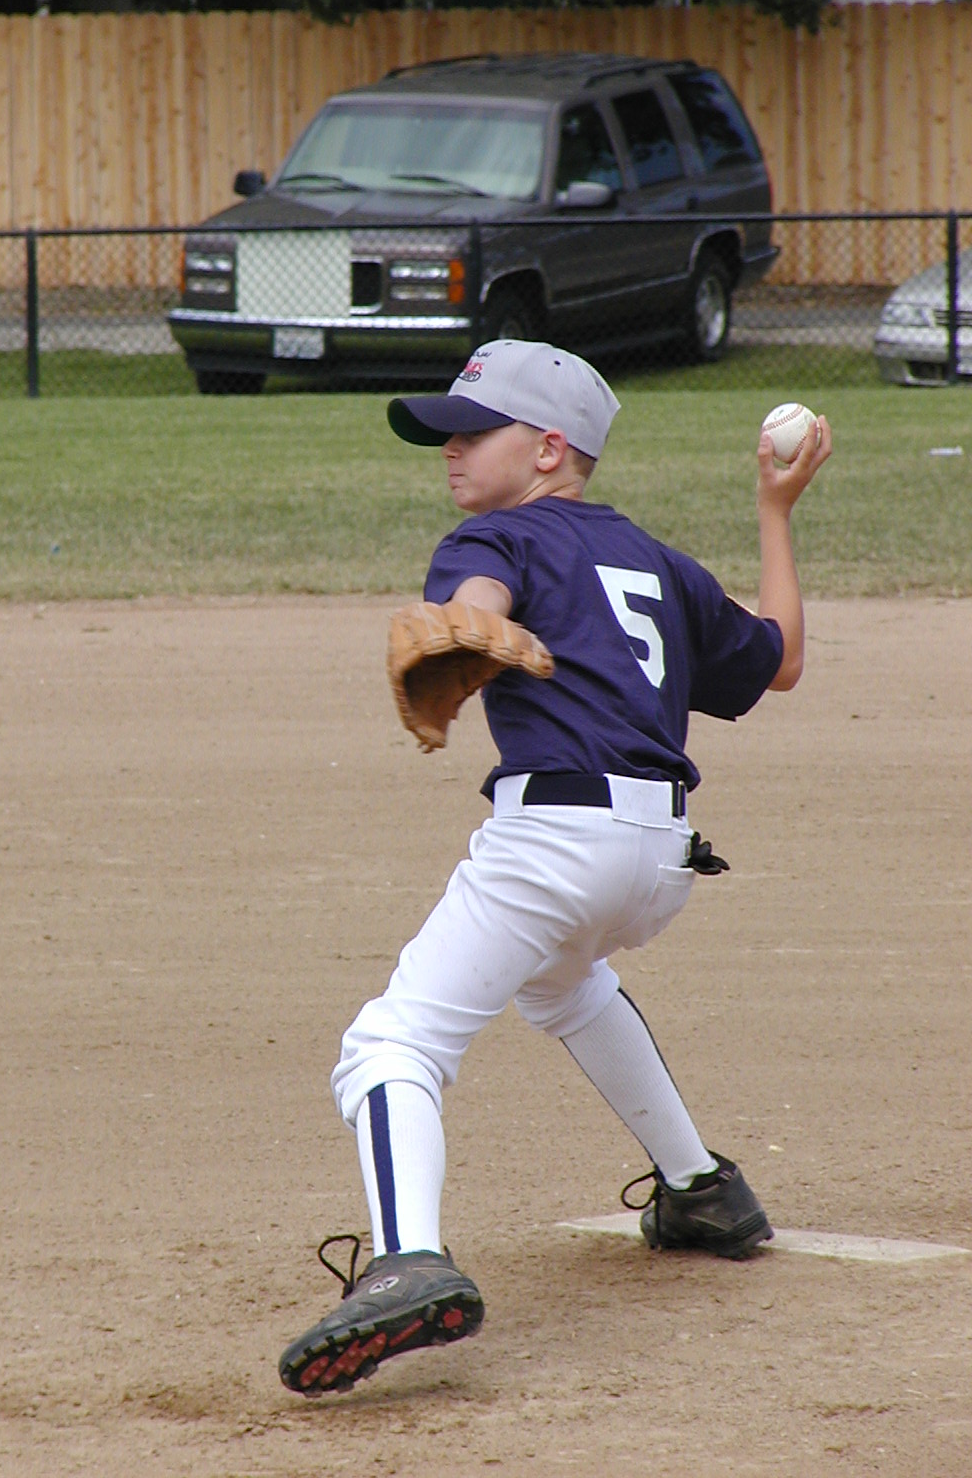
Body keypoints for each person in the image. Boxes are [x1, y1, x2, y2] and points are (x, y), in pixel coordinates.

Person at [278, 338, 832, 1397]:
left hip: (556, 843)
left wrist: (477, 625)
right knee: (562, 980)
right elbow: (781, 658)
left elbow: (480, 596)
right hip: (659, 859)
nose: (449, 449)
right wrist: (776, 510)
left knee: (390, 1043)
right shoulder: (656, 560)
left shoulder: (494, 537)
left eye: (471, 431)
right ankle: (701, 1189)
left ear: (546, 449)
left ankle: (407, 1261)